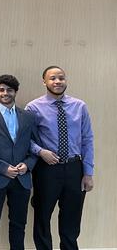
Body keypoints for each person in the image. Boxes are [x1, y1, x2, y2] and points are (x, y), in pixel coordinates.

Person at [26, 66, 94, 250]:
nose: (57, 81)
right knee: (42, 217)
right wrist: (41, 151)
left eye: (61, 78)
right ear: (44, 82)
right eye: (53, 78)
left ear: (66, 80)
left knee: (71, 219)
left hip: (74, 168)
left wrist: (88, 173)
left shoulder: (79, 106)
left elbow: (87, 139)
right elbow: (25, 139)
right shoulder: (33, 107)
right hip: (47, 168)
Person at [0, 74, 38, 250]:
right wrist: (3, 168)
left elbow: (35, 147)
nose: (5, 93)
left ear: (15, 92)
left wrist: (28, 165)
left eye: (9, 90)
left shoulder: (28, 117)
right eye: (1, 90)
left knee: (19, 224)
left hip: (22, 179)